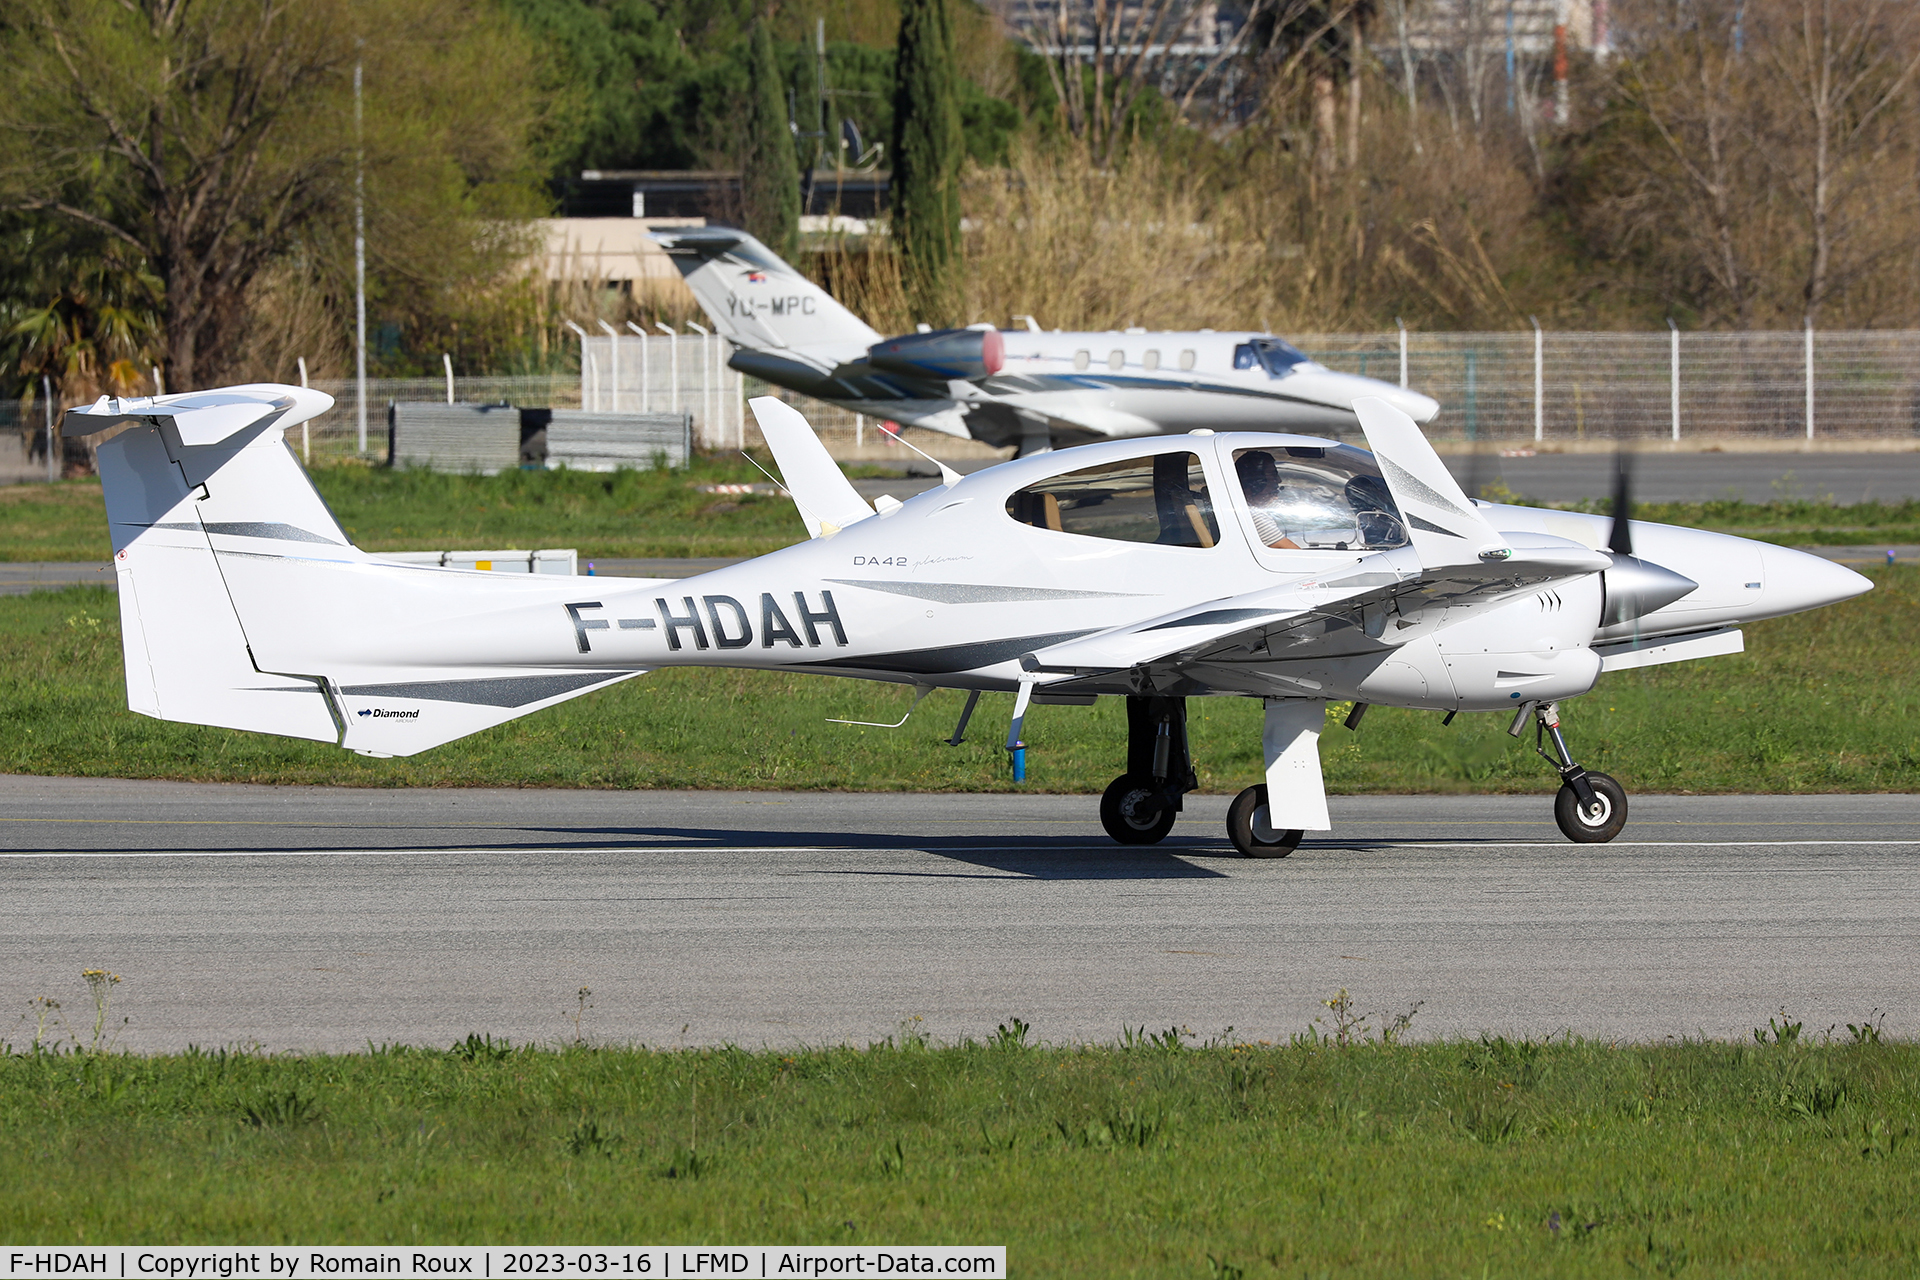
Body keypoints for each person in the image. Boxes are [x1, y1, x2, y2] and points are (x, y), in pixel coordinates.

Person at [1234, 450, 1301, 549]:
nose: (1278, 480)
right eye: (1272, 475)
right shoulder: (1253, 515)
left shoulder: (1241, 507)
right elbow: (1297, 555)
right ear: (1256, 483)